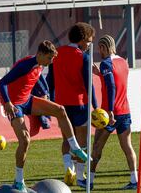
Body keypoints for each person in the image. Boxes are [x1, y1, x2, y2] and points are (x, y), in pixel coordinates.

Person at [0, 40, 88, 192]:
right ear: (40, 54)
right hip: (15, 105)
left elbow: (38, 80)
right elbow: (2, 83)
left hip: (27, 100)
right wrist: (7, 103)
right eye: (49, 58)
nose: (51, 62)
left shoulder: (40, 64)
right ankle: (19, 180)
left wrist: (45, 94)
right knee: (25, 140)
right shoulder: (25, 65)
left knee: (60, 110)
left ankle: (75, 148)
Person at [47, 22, 98, 188]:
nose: (89, 45)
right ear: (82, 40)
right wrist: (96, 106)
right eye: (89, 41)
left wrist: (51, 99)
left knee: (67, 139)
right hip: (80, 103)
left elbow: (50, 80)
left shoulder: (57, 53)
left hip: (61, 103)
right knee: (82, 142)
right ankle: (81, 176)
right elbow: (88, 83)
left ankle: (69, 169)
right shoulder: (84, 56)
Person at [90, 35, 138, 190]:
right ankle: (134, 180)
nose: (99, 51)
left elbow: (111, 87)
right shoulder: (123, 62)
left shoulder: (105, 63)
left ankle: (89, 181)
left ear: (104, 47)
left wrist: (109, 111)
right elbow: (117, 81)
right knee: (127, 147)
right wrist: (100, 75)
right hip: (125, 110)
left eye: (100, 48)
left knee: (97, 147)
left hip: (108, 113)